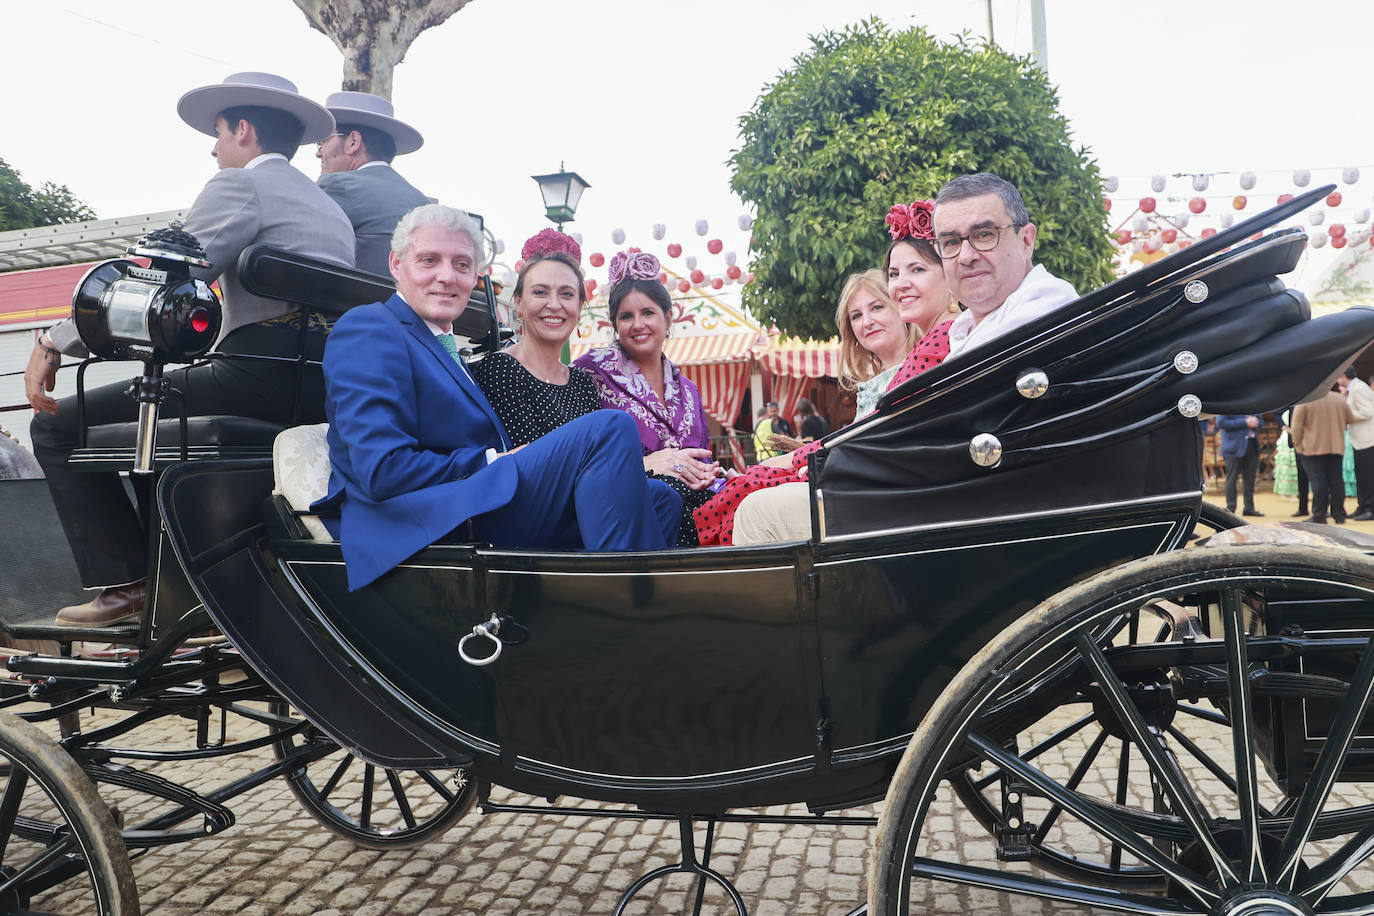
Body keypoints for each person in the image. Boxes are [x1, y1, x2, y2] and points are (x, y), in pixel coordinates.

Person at [26, 71, 356, 626]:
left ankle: (130, 585)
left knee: (55, 427)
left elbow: (150, 286)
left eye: (220, 133)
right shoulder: (330, 211)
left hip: (254, 376)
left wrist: (55, 341)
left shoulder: (238, 185)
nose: (213, 146)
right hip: (323, 387)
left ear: (244, 130)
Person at [318, 205, 681, 590]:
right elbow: (380, 468)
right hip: (432, 518)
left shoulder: (441, 345)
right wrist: (493, 459)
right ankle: (633, 609)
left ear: (474, 276)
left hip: (483, 502)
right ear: (396, 264)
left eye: (461, 264)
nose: (446, 276)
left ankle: (604, 609)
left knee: (660, 498)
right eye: (429, 260)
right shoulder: (371, 327)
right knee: (611, 427)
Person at [727, 172, 1078, 546]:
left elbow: (933, 431)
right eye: (951, 242)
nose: (968, 255)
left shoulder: (1037, 308)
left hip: (973, 505)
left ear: (1026, 240)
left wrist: (829, 461)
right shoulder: (971, 327)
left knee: (758, 510)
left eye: (984, 234)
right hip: (948, 488)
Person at [573, 251, 720, 546]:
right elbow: (580, 467)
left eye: (648, 313)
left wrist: (709, 474)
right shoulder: (589, 373)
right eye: (626, 316)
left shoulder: (688, 389)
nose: (637, 324)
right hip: (638, 524)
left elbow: (701, 457)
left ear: (668, 318)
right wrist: (648, 464)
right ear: (615, 324)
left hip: (702, 516)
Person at [471, 229, 601, 445]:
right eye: (540, 292)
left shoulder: (582, 383)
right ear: (519, 302)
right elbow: (533, 465)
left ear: (579, 308)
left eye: (567, 294)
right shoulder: (500, 370)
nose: (554, 304)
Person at [316, 91, 433, 276]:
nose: (319, 152)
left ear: (353, 142)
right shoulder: (423, 202)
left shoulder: (338, 185)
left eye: (323, 140)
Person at [1291, 382, 1354, 524]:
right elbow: (1351, 419)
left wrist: (1298, 444)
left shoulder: (1306, 399)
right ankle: (1339, 514)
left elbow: (1296, 425)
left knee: (1318, 481)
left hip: (1312, 447)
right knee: (1336, 480)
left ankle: (1319, 514)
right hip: (1336, 446)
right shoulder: (1340, 399)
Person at [1216, 414, 1266, 517]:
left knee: (1250, 479)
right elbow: (1221, 423)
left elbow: (1261, 422)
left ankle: (1249, 508)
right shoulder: (1227, 402)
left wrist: (1256, 422)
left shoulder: (1252, 403)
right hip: (1233, 447)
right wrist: (1245, 422)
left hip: (1252, 445)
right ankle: (1231, 508)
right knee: (1232, 478)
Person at [1345, 368, 1374, 520]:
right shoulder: (1354, 388)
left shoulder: (1359, 388)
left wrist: (1347, 416)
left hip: (1367, 440)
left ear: (1343, 376)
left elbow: (1368, 411)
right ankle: (1362, 506)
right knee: (1361, 475)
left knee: (1368, 476)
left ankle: (1370, 508)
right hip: (1359, 440)